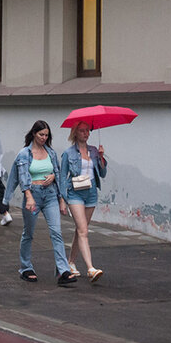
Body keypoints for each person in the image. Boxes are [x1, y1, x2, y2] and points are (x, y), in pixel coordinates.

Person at [5, 120, 75, 285]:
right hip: (33, 195)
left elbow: (56, 174)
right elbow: (22, 178)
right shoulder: (24, 154)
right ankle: (25, 268)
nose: (44, 138)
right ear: (34, 134)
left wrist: (60, 198)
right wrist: (28, 196)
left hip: (50, 195)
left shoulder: (50, 153)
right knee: (28, 233)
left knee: (56, 232)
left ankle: (63, 271)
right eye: (41, 134)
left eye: (46, 135)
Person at [60, 121, 109, 283]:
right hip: (75, 193)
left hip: (91, 192)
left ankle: (71, 262)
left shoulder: (94, 151)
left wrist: (102, 158)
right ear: (75, 133)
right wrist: (62, 199)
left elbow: (102, 174)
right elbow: (62, 177)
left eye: (87, 130)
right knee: (83, 231)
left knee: (81, 230)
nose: (86, 133)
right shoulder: (68, 153)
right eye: (82, 131)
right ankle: (90, 268)